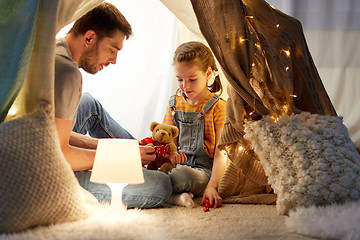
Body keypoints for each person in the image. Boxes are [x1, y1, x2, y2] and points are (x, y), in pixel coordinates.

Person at [54, 2, 172, 208]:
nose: (114, 60)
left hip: (45, 145)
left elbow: (54, 133)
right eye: (112, 49)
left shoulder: (54, 49)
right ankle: (142, 163)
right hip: (51, 172)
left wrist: (126, 149)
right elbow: (60, 154)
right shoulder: (67, 74)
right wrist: (120, 158)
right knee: (162, 186)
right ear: (89, 37)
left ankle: (142, 153)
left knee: (89, 103)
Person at [163, 41, 227, 208]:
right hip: (177, 165)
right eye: (180, 79)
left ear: (208, 73)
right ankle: (176, 197)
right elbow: (169, 143)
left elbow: (222, 154)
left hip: (203, 171)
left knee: (181, 177)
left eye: (192, 79)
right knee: (154, 171)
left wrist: (212, 186)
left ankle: (168, 194)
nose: (185, 86)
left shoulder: (218, 107)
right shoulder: (174, 104)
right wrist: (171, 154)